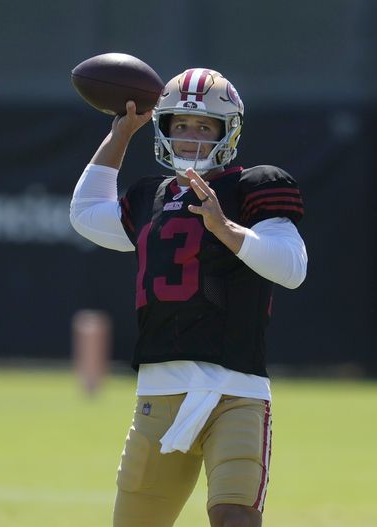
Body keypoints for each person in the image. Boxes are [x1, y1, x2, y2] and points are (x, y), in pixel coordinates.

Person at [69, 68, 307, 527]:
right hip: (158, 394)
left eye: (205, 126)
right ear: (163, 130)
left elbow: (291, 268)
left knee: (234, 518)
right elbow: (85, 215)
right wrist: (120, 134)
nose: (191, 137)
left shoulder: (254, 185)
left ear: (227, 131)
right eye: (181, 124)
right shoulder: (148, 196)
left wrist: (227, 230)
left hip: (236, 392)